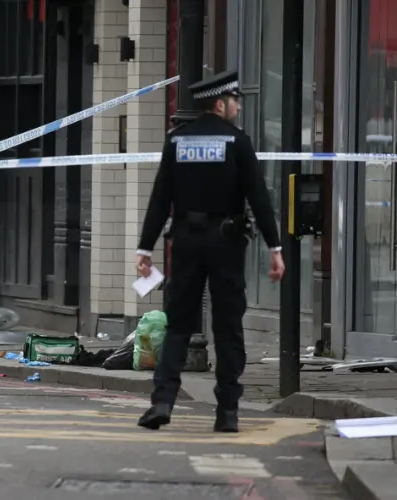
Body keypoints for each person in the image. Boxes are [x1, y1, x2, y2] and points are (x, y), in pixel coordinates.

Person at [133, 70, 285, 433]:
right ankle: (228, 410)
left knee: (178, 324)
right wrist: (275, 247)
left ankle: (163, 400)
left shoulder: (177, 141)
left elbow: (160, 198)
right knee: (228, 326)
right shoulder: (237, 142)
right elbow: (259, 199)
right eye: (235, 101)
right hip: (226, 241)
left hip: (184, 240)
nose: (237, 107)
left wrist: (145, 247)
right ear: (220, 104)